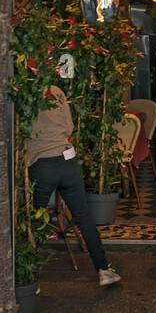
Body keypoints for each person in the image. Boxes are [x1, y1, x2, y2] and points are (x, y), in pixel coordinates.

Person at [26, 85, 121, 287]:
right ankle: (103, 269)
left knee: (34, 219)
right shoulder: (56, 91)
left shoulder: (25, 92)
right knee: (83, 216)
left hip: (41, 163)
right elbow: (69, 128)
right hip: (67, 161)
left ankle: (29, 276)